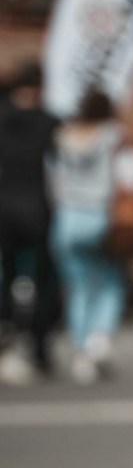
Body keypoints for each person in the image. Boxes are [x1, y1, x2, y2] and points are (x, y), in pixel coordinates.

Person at [49, 87, 133, 384]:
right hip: (101, 216)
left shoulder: (63, 137)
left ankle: (81, 351)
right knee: (108, 282)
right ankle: (98, 342)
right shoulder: (116, 136)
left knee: (78, 287)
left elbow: (52, 180)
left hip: (66, 218)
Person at [0, 62, 60, 382]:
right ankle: (39, 344)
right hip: (38, 209)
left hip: (3, 209)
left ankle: (7, 333)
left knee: (5, 275)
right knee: (44, 280)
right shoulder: (49, 122)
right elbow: (59, 171)